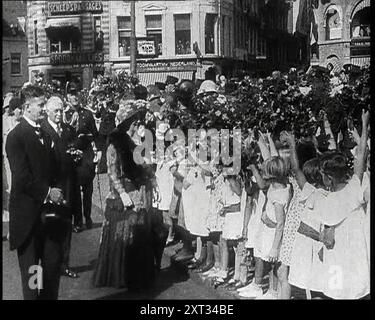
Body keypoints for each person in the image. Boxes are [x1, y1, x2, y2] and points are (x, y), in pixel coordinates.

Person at [5, 85, 66, 299]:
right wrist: (49, 192)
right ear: (27, 107)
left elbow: (55, 168)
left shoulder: (47, 134)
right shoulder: (16, 137)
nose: (43, 109)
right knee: (33, 277)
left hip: (49, 218)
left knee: (51, 270)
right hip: (28, 220)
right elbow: (22, 178)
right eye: (40, 105)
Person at [92, 99, 159, 290]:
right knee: (125, 232)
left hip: (140, 189)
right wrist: (122, 193)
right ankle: (122, 273)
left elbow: (145, 167)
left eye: (138, 121)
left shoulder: (136, 142)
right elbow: (112, 171)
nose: (137, 124)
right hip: (125, 191)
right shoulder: (115, 144)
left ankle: (138, 274)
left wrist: (153, 181)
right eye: (134, 122)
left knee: (140, 231)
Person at [314, 111, 370, 299]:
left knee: (337, 293)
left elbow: (328, 239)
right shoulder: (355, 187)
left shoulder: (328, 201)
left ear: (328, 178)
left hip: (338, 260)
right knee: (358, 290)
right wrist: (364, 125)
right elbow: (361, 156)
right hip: (357, 255)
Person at [41, 96, 80, 279]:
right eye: (55, 111)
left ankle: (64, 264)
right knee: (50, 225)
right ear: (47, 111)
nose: (59, 114)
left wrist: (77, 156)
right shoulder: (42, 130)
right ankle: (49, 264)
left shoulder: (68, 130)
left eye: (61, 111)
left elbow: (74, 150)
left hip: (69, 184)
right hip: (51, 187)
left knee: (66, 224)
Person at [66, 82, 100, 232]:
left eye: (77, 93)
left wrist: (99, 151)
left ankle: (88, 216)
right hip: (72, 156)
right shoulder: (64, 114)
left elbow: (96, 135)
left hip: (86, 156)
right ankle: (78, 221)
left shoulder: (87, 114)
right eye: (72, 94)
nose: (75, 96)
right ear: (66, 96)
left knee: (87, 189)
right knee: (74, 190)